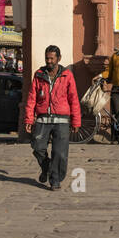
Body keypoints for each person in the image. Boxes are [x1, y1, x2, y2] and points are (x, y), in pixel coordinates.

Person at [24, 45, 81, 190]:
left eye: (52, 58)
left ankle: (55, 180)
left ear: (58, 58)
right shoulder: (38, 75)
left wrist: (76, 121)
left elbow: (73, 99)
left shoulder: (67, 75)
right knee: (37, 147)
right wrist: (29, 119)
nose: (49, 61)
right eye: (47, 58)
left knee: (60, 153)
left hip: (62, 120)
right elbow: (31, 98)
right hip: (43, 119)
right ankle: (47, 167)